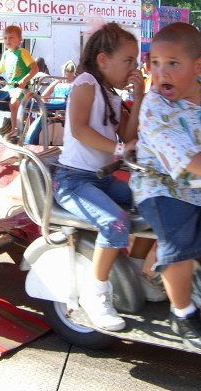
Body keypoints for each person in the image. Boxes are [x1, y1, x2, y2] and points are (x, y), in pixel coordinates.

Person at [130, 22, 201, 353]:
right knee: (181, 236)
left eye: (172, 63)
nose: (160, 72)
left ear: (199, 66)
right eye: (154, 62)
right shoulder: (155, 107)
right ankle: (182, 313)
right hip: (164, 185)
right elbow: (181, 154)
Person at [53, 22, 164, 332]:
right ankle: (96, 292)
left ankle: (130, 273)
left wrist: (139, 97)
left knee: (155, 203)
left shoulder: (110, 94)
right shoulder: (86, 83)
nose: (133, 67)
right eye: (128, 61)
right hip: (74, 181)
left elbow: (128, 133)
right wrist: (120, 147)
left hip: (100, 179)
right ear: (103, 60)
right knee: (116, 221)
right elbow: (78, 129)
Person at [0, 25, 39, 133]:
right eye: (5, 38)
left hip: (22, 88)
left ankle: (14, 130)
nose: (8, 40)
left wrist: (24, 80)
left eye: (11, 37)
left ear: (19, 39)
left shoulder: (22, 52)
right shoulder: (6, 54)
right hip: (9, 87)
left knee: (14, 102)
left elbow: (35, 69)